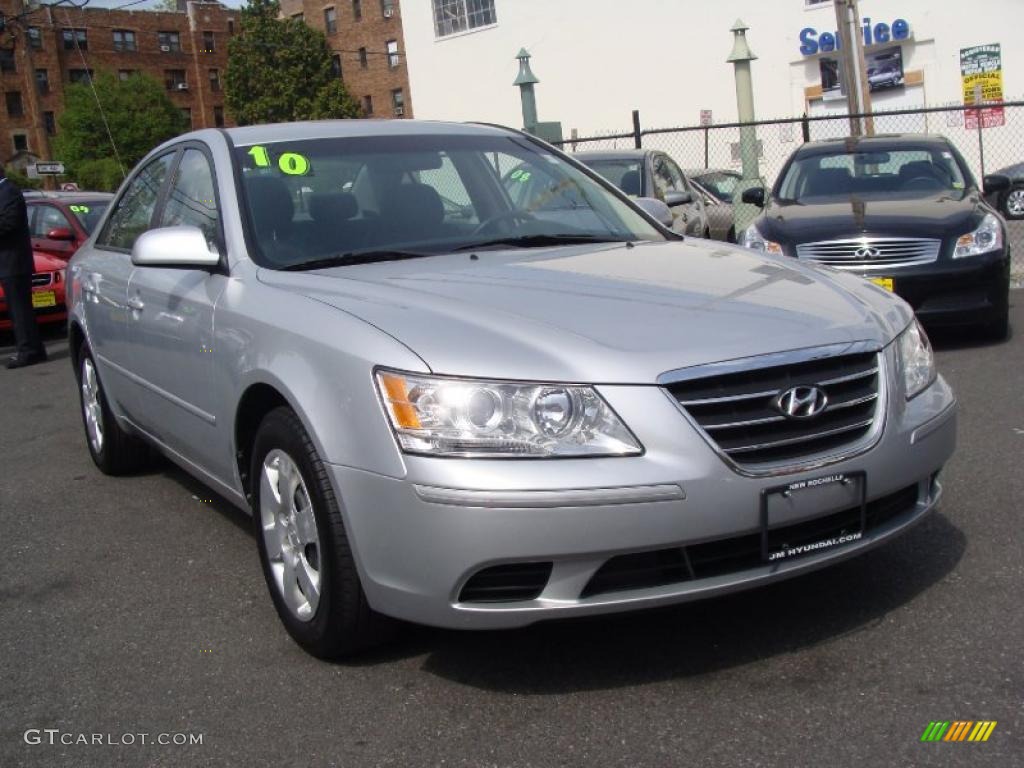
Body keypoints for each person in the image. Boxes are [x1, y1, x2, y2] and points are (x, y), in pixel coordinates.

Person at [0, 168, 47, 369]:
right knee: (20, 309)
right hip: (9, 261)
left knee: (20, 310)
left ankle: (28, 351)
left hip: (14, 262)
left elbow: (9, 223)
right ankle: (34, 348)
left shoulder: (9, 191)